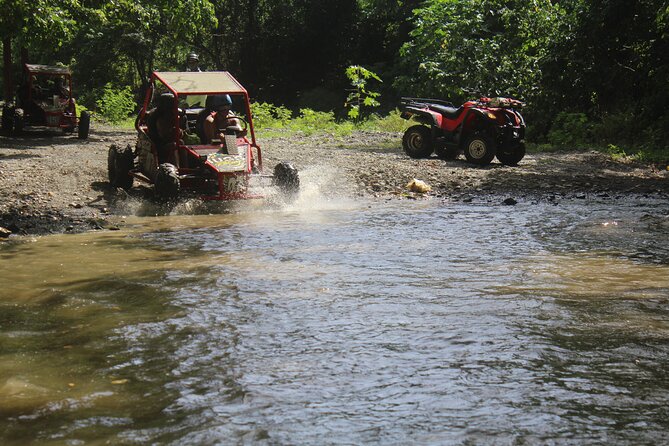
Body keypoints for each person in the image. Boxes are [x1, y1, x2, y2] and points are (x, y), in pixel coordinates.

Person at [147, 92, 179, 164]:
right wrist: (175, 131)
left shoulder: (167, 115)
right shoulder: (159, 118)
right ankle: (179, 168)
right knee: (176, 144)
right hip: (158, 145)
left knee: (183, 143)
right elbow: (164, 136)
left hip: (164, 142)